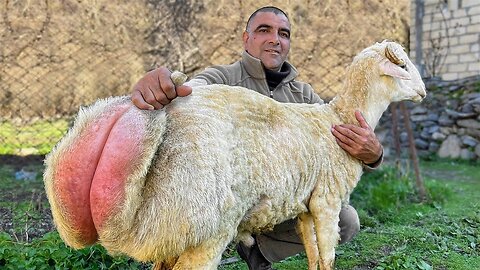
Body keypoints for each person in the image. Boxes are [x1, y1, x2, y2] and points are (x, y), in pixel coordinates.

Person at [131, 6, 383, 270]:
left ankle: (259, 251)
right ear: (246, 38)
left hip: (278, 204)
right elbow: (193, 92)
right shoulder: (223, 79)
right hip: (226, 200)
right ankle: (187, 248)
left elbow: (333, 150)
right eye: (264, 30)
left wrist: (374, 155)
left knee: (345, 219)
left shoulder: (305, 97)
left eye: (283, 34)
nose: (275, 39)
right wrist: (164, 88)